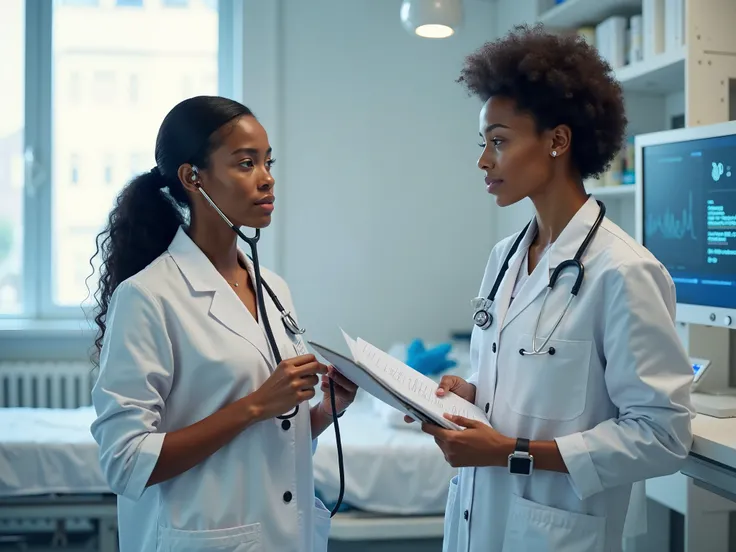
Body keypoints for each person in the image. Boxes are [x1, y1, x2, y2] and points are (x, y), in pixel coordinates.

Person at [416, 25, 694, 552]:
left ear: (558, 141)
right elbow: (529, 385)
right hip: (480, 523)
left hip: (557, 534)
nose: (483, 160)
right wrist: (472, 396)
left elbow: (663, 436)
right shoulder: (505, 259)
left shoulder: (623, 271)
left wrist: (511, 451)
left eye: (498, 141)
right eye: (483, 143)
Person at [88, 96, 357, 552]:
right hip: (201, 535)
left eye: (268, 162)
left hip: (279, 532)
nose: (267, 178)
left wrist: (323, 412)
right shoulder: (148, 296)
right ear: (193, 177)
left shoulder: (273, 288)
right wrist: (255, 404)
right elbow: (125, 461)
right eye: (246, 163)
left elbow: (273, 433)